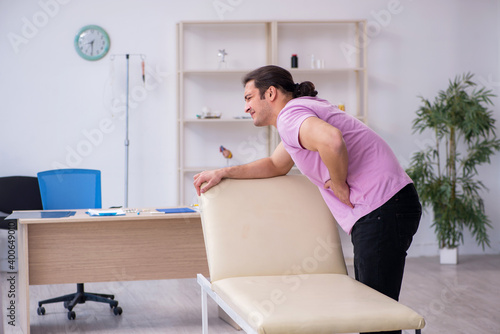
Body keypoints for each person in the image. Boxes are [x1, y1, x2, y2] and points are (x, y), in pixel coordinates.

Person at [193, 65, 421, 334]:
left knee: (376, 316)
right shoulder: (297, 114)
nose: (246, 107)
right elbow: (276, 165)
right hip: (388, 205)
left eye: (248, 98)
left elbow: (332, 141)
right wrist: (224, 172)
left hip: (382, 208)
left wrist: (339, 183)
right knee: (375, 311)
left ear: (270, 93)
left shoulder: (291, 116)